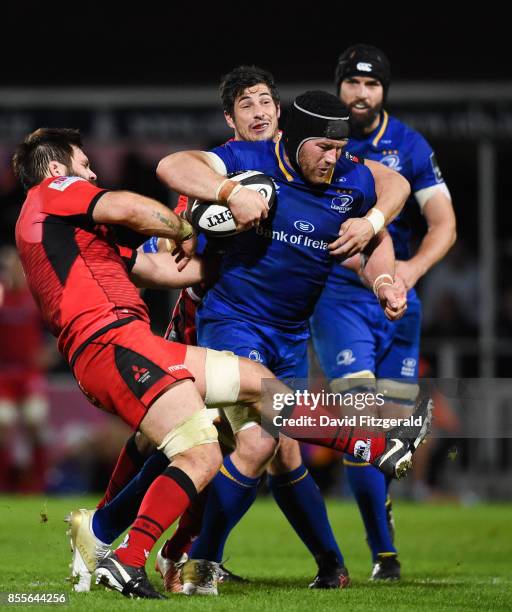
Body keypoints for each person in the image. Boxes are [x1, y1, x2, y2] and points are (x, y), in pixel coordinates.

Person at [14, 126, 430, 599]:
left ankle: (371, 445)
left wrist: (233, 251)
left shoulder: (75, 235)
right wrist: (192, 224)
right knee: (204, 450)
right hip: (112, 341)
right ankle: (137, 556)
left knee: (255, 386)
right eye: (83, 164)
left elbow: (159, 268)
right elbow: (134, 207)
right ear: (55, 169)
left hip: (126, 341)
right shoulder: (52, 192)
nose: (91, 172)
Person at [155, 88, 426, 595]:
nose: (334, 158)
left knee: (286, 453)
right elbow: (174, 165)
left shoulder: (347, 177)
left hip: (289, 335)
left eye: (339, 149)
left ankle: (330, 564)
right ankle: (199, 562)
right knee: (261, 439)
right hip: (234, 322)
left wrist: (379, 256)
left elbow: (393, 185)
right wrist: (228, 191)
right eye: (323, 148)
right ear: (295, 139)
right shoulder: (250, 160)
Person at [310, 44, 456, 580]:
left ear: (383, 92)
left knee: (389, 430)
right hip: (339, 296)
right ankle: (383, 553)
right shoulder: (321, 140)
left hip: (399, 299)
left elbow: (444, 222)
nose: (361, 93)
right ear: (339, 86)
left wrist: (411, 272)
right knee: (362, 416)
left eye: (371, 85)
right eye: (352, 83)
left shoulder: (409, 146)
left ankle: (380, 513)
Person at [0, 246, 57, 492]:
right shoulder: (1, 297)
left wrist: (51, 354)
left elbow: (60, 325)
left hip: (30, 372)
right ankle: (4, 485)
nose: (12, 271)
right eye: (8, 266)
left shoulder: (35, 296)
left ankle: (40, 484)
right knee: (3, 422)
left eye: (16, 266)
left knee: (35, 420)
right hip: (5, 372)